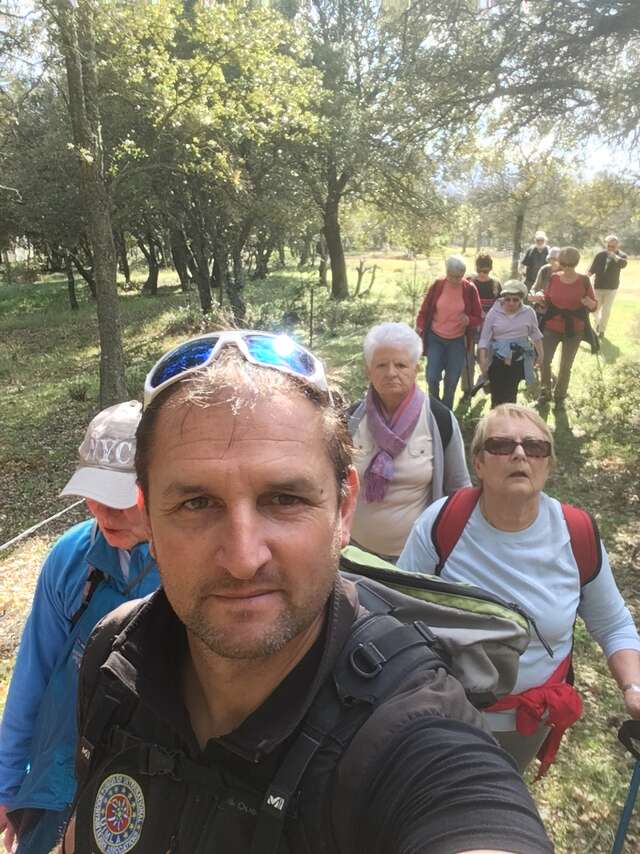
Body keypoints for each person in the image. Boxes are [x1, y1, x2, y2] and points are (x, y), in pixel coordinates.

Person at [62, 331, 553, 854]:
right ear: (148, 516)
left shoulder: (413, 730)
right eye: (196, 504)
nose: (244, 557)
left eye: (284, 498)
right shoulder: (116, 658)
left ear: (343, 511)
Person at [398, 403, 640, 775]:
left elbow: (613, 625)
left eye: (535, 446)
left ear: (548, 464)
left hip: (527, 723)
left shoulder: (576, 534)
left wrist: (634, 687)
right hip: (444, 710)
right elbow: (398, 612)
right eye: (500, 445)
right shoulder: (442, 522)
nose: (520, 453)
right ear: (478, 463)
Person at [0, 402, 160, 854]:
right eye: (92, 493)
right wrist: (8, 783)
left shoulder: (194, 568)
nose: (100, 511)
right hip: (59, 780)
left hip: (152, 789)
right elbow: (34, 672)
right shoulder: (72, 560)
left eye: (118, 496)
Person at [348, 322, 470, 561]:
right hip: (354, 553)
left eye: (401, 365)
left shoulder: (439, 420)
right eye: (381, 365)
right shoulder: (351, 419)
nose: (391, 372)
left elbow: (459, 489)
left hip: (415, 557)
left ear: (416, 368)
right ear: (368, 370)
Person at [530, 246, 597, 408]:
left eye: (570, 265)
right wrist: (538, 298)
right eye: (564, 264)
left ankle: (560, 396)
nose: (567, 268)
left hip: (574, 329)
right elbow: (547, 299)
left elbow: (594, 306)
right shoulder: (554, 278)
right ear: (560, 263)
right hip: (552, 326)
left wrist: (589, 303)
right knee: (544, 360)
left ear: (575, 264)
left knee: (565, 365)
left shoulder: (584, 280)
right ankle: (545, 393)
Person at [416, 255, 482, 409]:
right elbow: (424, 311)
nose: (455, 280)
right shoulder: (438, 285)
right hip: (435, 337)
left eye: (459, 277)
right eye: (452, 276)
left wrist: (469, 320)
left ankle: (446, 411)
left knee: (452, 380)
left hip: (457, 340)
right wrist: (419, 326)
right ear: (446, 272)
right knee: (432, 376)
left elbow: (478, 317)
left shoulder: (470, 289)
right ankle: (434, 406)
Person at [478, 280, 544, 408]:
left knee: (510, 395)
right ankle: (495, 423)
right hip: (498, 358)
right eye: (508, 299)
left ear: (521, 299)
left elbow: (535, 334)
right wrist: (482, 359)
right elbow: (484, 338)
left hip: (518, 359)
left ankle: (508, 423)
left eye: (515, 299)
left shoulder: (529, 312)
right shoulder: (494, 312)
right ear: (503, 299)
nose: (511, 303)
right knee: (497, 396)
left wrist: (540, 354)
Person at [461, 253, 502, 394]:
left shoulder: (495, 285)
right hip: (470, 327)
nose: (482, 274)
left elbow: (500, 307)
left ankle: (484, 380)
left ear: (490, 269)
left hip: (488, 328)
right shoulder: (468, 282)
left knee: (486, 358)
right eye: (479, 271)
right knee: (467, 359)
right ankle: (467, 390)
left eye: (485, 271)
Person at [589, 234, 628, 337]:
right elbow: (592, 269)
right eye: (608, 246)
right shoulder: (600, 255)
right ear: (606, 245)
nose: (610, 248)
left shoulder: (621, 256)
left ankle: (602, 331)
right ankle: (598, 323)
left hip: (611, 288)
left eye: (613, 247)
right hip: (598, 287)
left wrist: (614, 256)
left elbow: (623, 264)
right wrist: (584, 278)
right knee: (595, 310)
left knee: (606, 311)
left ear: (617, 246)